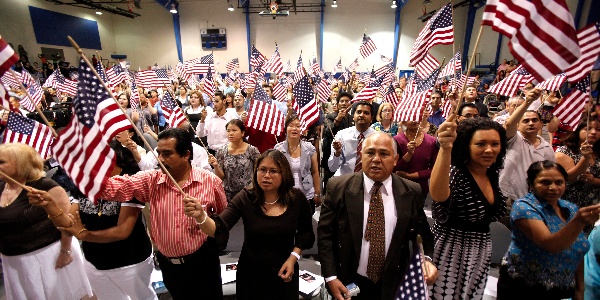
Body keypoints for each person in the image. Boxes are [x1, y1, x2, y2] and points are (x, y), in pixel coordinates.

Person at [97, 128, 228, 299]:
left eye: (167, 154)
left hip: (203, 262)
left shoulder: (211, 182)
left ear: (186, 154)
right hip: (169, 266)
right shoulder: (151, 180)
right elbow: (115, 188)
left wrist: (201, 217)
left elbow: (222, 221)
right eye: (159, 153)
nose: (161, 159)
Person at [318, 132, 438, 300]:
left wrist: (426, 260)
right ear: (361, 155)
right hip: (349, 281)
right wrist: (331, 276)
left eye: (384, 153)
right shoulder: (338, 187)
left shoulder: (411, 191)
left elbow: (423, 234)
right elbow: (325, 236)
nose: (376, 159)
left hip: (393, 282)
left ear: (396, 159)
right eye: (370, 152)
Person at [183, 149, 315, 299]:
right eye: (262, 170)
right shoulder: (245, 197)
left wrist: (293, 258)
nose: (266, 176)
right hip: (251, 273)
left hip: (285, 269)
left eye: (273, 171)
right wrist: (201, 216)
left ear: (284, 173)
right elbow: (217, 228)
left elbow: (305, 233)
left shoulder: (296, 198)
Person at [58, 141, 156, 300]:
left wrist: (85, 235)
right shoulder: (85, 184)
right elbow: (71, 218)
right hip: (94, 261)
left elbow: (122, 231)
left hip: (129, 262)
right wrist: (51, 207)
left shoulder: (129, 183)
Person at [0, 143, 92, 299]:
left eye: (2, 162)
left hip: (49, 257)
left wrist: (65, 252)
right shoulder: (2, 187)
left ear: (20, 164)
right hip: (14, 262)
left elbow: (67, 223)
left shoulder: (46, 186)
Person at [496, 160, 600, 299]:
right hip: (524, 288)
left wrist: (580, 289)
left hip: (560, 289)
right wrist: (579, 221)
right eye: (545, 182)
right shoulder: (524, 207)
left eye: (559, 182)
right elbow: (550, 245)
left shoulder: (570, 208)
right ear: (531, 184)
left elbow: (578, 250)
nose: (553, 187)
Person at [429, 117, 508, 299]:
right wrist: (446, 148)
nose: (489, 149)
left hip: (480, 253)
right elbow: (438, 195)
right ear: (467, 145)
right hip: (449, 252)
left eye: (495, 144)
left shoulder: (492, 175)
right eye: (480, 144)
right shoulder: (455, 172)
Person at [499, 88, 554, 209]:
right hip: (509, 198)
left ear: (541, 124)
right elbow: (508, 125)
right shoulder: (514, 139)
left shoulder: (547, 147)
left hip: (537, 200)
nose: (531, 123)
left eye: (535, 120)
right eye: (526, 121)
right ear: (518, 126)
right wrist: (527, 102)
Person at [275, 115, 322, 213]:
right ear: (286, 129)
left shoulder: (309, 148)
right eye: (291, 125)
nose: (294, 129)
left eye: (298, 126)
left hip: (307, 193)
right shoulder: (278, 149)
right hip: (286, 194)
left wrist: (317, 193)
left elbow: (315, 172)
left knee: (306, 225)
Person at [209, 119, 260, 202]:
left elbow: (258, 171)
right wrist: (215, 166)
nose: (231, 133)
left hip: (248, 194)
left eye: (234, 130)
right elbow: (221, 177)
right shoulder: (221, 151)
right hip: (228, 195)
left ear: (243, 133)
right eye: (228, 131)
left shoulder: (252, 150)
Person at [555, 120, 600, 209]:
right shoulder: (564, 151)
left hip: (594, 207)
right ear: (577, 130)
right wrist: (585, 158)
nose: (594, 132)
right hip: (569, 206)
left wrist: (593, 180)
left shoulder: (598, 152)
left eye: (598, 129)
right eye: (587, 128)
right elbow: (569, 178)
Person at [393, 119, 438, 199]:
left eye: (417, 117)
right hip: (400, 186)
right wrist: (409, 154)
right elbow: (395, 168)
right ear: (404, 122)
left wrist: (410, 176)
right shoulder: (397, 140)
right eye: (411, 118)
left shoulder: (431, 141)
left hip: (421, 188)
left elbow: (434, 169)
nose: (415, 120)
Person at [329, 101, 376, 176]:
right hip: (345, 180)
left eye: (366, 113)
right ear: (353, 116)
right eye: (359, 112)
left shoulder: (377, 137)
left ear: (371, 119)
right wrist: (337, 153)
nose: (362, 115)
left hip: (369, 180)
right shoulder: (341, 135)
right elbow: (332, 168)